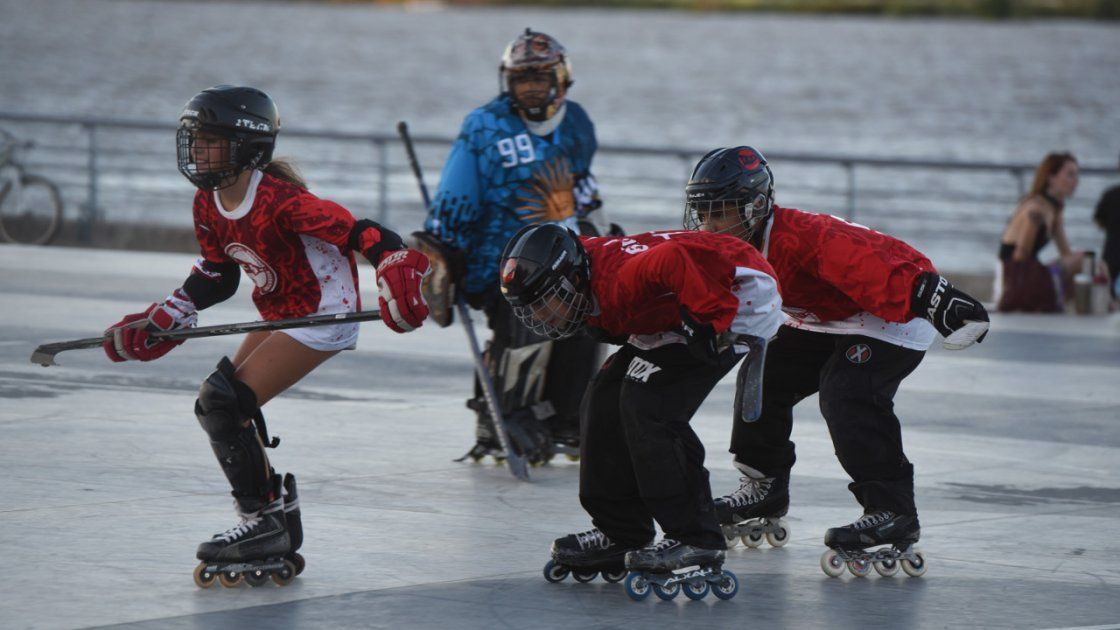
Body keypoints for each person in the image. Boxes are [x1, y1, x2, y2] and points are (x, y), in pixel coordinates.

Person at [102, 85, 430, 588]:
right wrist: (175, 309)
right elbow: (219, 271)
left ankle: (263, 522)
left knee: (223, 401)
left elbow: (361, 231)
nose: (197, 151)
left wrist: (394, 262)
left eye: (210, 141)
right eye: (193, 139)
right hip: (279, 312)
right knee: (219, 403)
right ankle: (275, 510)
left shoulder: (282, 202)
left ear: (247, 148)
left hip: (323, 313)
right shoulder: (207, 202)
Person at [685, 146, 989, 576]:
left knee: (847, 393)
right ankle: (764, 486)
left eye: (720, 214)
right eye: (702, 214)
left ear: (755, 206)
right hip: (825, 319)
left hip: (889, 315)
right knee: (762, 374)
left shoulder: (803, 235)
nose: (709, 226)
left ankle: (891, 509)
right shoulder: (727, 247)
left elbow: (868, 259)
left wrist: (927, 293)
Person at [499, 223, 784, 592]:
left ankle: (695, 537)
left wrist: (708, 322)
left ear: (569, 281)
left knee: (650, 406)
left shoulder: (623, 279)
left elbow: (673, 258)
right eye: (530, 309)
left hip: (733, 297)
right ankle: (622, 531)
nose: (538, 317)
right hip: (672, 306)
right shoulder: (579, 267)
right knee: (602, 400)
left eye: (542, 303)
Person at [421, 28, 609, 463]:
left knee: (588, 319)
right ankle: (505, 414)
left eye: (539, 78)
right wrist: (441, 251)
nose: (529, 87)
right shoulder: (483, 126)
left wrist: (601, 236)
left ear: (560, 79)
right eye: (520, 78)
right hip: (498, 262)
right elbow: (456, 194)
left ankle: (566, 416)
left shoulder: (578, 122)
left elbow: (584, 186)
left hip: (565, 255)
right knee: (526, 321)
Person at [996, 151, 1084, 312]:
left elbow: (1067, 255)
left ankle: (1065, 307)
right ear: (1051, 177)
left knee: (1090, 262)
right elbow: (1019, 257)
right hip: (1014, 277)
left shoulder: (1054, 210)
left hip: (1029, 272)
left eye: (1077, 176)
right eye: (1070, 175)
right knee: (1084, 260)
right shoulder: (1036, 209)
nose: (1075, 182)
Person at [1093, 153, 1120, 299]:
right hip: (1112, 252)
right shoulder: (1110, 195)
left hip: (1111, 251)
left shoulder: (1110, 195)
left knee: (1107, 290)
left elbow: (1098, 219)